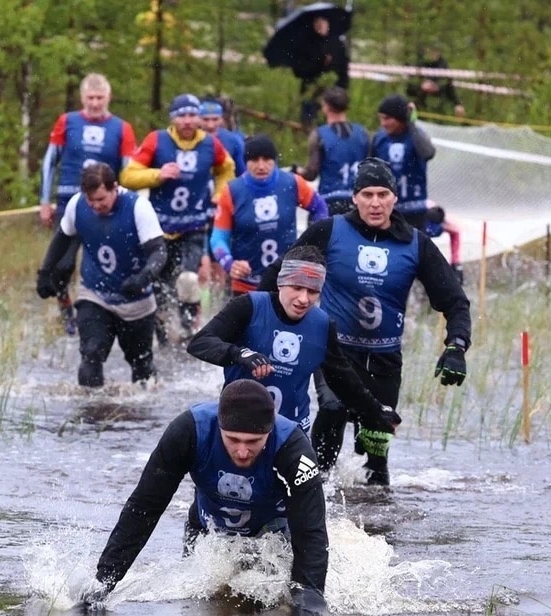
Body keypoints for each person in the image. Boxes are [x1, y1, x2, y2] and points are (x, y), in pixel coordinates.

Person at [260, 158, 472, 487]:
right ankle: (312, 488)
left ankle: (377, 525)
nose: (375, 203)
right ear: (355, 197)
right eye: (368, 194)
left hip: (385, 360)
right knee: (332, 408)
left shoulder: (415, 244)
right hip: (333, 351)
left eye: (383, 194)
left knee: (376, 458)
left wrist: (456, 345)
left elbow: (455, 301)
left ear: (394, 199)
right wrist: (257, 319)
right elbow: (278, 273)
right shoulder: (328, 231)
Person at [85, 378, 329, 612]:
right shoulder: (189, 431)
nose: (242, 451)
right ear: (219, 427)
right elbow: (145, 507)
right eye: (233, 440)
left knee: (269, 605)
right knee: (201, 603)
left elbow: (310, 532)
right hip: (207, 530)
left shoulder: (293, 449)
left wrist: (309, 607)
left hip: (272, 537)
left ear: (269, 431)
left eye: (253, 441)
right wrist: (103, 583)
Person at [187, 244, 401, 439]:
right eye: (297, 287)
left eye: (312, 291)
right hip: (240, 430)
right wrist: (241, 354)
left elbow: (341, 378)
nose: (303, 299)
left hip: (292, 433)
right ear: (281, 282)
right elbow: (200, 343)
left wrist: (376, 410)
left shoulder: (323, 325)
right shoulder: (248, 307)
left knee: (312, 481)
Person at [35, 163, 166, 387]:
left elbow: (159, 252)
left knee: (142, 370)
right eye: (91, 200)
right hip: (95, 295)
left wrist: (144, 277)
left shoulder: (138, 208)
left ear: (115, 187)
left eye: (101, 200)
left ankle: (145, 419)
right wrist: (45, 271)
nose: (96, 206)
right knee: (91, 354)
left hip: (136, 301)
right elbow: (62, 238)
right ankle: (91, 416)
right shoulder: (77, 204)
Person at [121, 93, 236, 344]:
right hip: (159, 227)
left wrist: (219, 193)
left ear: (199, 118)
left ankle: (187, 332)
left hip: (194, 225)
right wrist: (157, 175)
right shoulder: (157, 140)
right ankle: (161, 333)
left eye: (192, 115)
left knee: (188, 279)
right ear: (173, 119)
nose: (187, 120)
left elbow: (226, 168)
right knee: (161, 285)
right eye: (181, 115)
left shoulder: (211, 144)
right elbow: (128, 176)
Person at [210, 135, 328, 295]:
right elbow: (218, 238)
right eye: (254, 160)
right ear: (246, 162)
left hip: (287, 281)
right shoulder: (232, 191)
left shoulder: (292, 183)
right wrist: (230, 264)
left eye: (267, 160)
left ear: (274, 160)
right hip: (246, 284)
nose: (261, 166)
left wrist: (312, 244)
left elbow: (320, 208)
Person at [39, 73, 138, 228]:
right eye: (90, 98)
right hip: (68, 199)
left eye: (100, 98)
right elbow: (49, 163)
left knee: (100, 252)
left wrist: (129, 205)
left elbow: (130, 173)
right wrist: (45, 201)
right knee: (63, 252)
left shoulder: (122, 128)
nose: (95, 104)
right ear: (82, 98)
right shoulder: (66, 122)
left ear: (108, 97)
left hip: (104, 203)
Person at [299, 86, 371, 216]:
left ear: (325, 107)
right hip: (357, 201)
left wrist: (296, 171)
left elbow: (311, 173)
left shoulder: (319, 135)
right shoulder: (363, 133)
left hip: (330, 200)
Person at [371, 94, 437, 231]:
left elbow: (428, 153)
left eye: (388, 118)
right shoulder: (379, 138)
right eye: (381, 119)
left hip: (415, 210)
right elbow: (370, 168)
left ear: (400, 118)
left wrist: (411, 123)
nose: (383, 123)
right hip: (388, 210)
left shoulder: (416, 136)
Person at [292, 13, 350, 127]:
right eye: (317, 21)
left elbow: (343, 69)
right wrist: (320, 61)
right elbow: (298, 71)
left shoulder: (337, 44)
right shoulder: (306, 44)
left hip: (333, 95)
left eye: (323, 20)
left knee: (331, 128)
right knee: (309, 127)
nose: (320, 24)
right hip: (310, 93)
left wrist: (343, 89)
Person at [405, 45, 466, 117]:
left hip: (441, 97)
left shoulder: (443, 65)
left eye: (434, 52)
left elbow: (450, 88)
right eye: (431, 51)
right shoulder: (426, 64)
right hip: (423, 103)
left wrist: (458, 104)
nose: (432, 54)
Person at [200, 98, 246, 177]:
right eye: (205, 120)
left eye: (215, 119)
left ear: (222, 119)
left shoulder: (233, 140)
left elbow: (243, 175)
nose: (210, 125)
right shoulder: (189, 139)